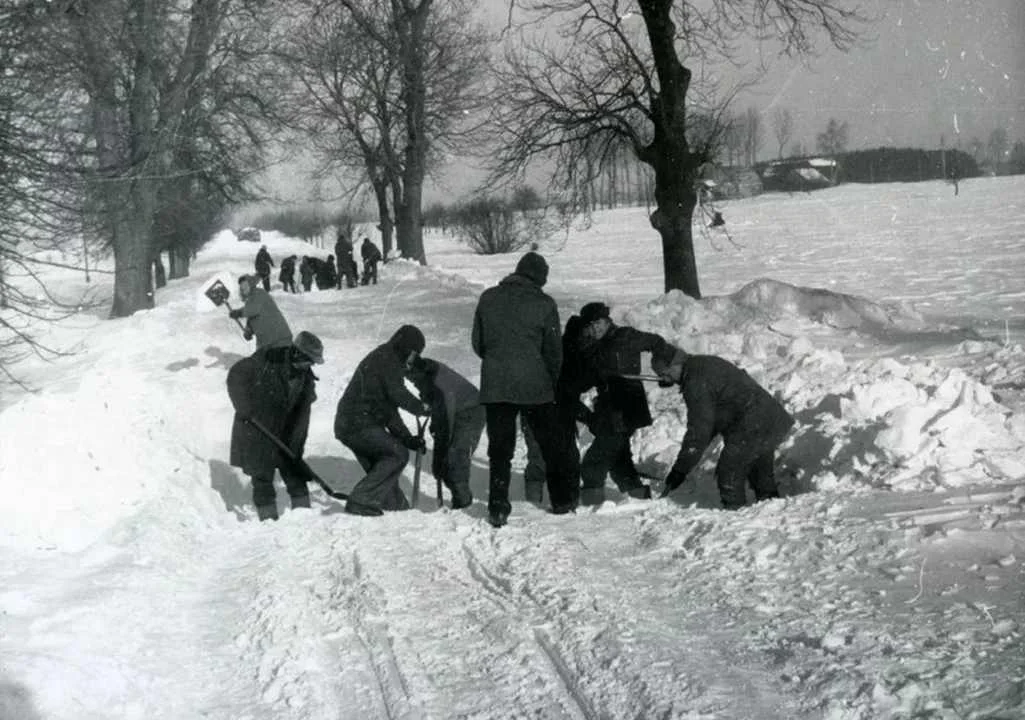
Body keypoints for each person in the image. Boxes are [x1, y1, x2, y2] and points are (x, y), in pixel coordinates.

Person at [471, 251, 576, 527]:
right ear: (540, 279)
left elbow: (477, 343)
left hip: (496, 385)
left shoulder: (488, 298)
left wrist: (498, 362)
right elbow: (554, 352)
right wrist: (548, 380)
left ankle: (497, 507)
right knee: (550, 445)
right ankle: (562, 502)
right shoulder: (544, 303)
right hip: (536, 385)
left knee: (500, 448)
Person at [652, 349, 795, 510]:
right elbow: (710, 423)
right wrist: (684, 465)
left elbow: (699, 431)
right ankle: (773, 511)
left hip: (752, 423)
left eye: (664, 373)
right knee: (759, 470)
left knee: (729, 471)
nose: (664, 379)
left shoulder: (695, 381)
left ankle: (734, 516)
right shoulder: (701, 364)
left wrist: (680, 470)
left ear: (676, 364)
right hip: (769, 417)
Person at [574, 302, 678, 505]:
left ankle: (590, 516)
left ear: (607, 321)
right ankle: (640, 500)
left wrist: (663, 369)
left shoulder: (626, 337)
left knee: (593, 465)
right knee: (619, 463)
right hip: (608, 409)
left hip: (626, 408)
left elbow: (658, 343)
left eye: (599, 323)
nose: (595, 329)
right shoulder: (591, 347)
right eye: (591, 325)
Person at [334, 325, 432, 516]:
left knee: (385, 465)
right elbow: (398, 394)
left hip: (352, 424)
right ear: (405, 346)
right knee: (398, 454)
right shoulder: (386, 358)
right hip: (357, 423)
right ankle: (360, 500)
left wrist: (407, 438)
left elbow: (390, 412)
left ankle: (396, 507)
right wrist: (421, 407)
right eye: (413, 353)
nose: (412, 359)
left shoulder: (387, 361)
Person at [226, 331, 325, 521]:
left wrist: (297, 443)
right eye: (309, 360)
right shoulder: (266, 361)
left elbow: (303, 416)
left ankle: (304, 516)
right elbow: (236, 375)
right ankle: (268, 519)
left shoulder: (305, 379)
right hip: (258, 426)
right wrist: (243, 406)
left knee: (294, 469)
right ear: (297, 354)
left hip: (285, 430)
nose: (311, 365)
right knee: (261, 474)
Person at [407, 357, 485, 510]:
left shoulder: (440, 382)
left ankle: (464, 503)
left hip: (471, 411)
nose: (412, 381)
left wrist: (440, 444)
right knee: (444, 462)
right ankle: (458, 497)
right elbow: (433, 398)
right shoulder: (425, 372)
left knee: (455, 457)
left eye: (413, 377)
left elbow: (447, 416)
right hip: (456, 409)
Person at [229, 274, 292, 350]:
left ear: (251, 284)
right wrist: (249, 331)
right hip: (267, 342)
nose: (243, 288)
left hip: (278, 339)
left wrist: (239, 313)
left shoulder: (259, 293)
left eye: (245, 285)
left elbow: (253, 309)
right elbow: (253, 317)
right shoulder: (250, 300)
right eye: (241, 286)